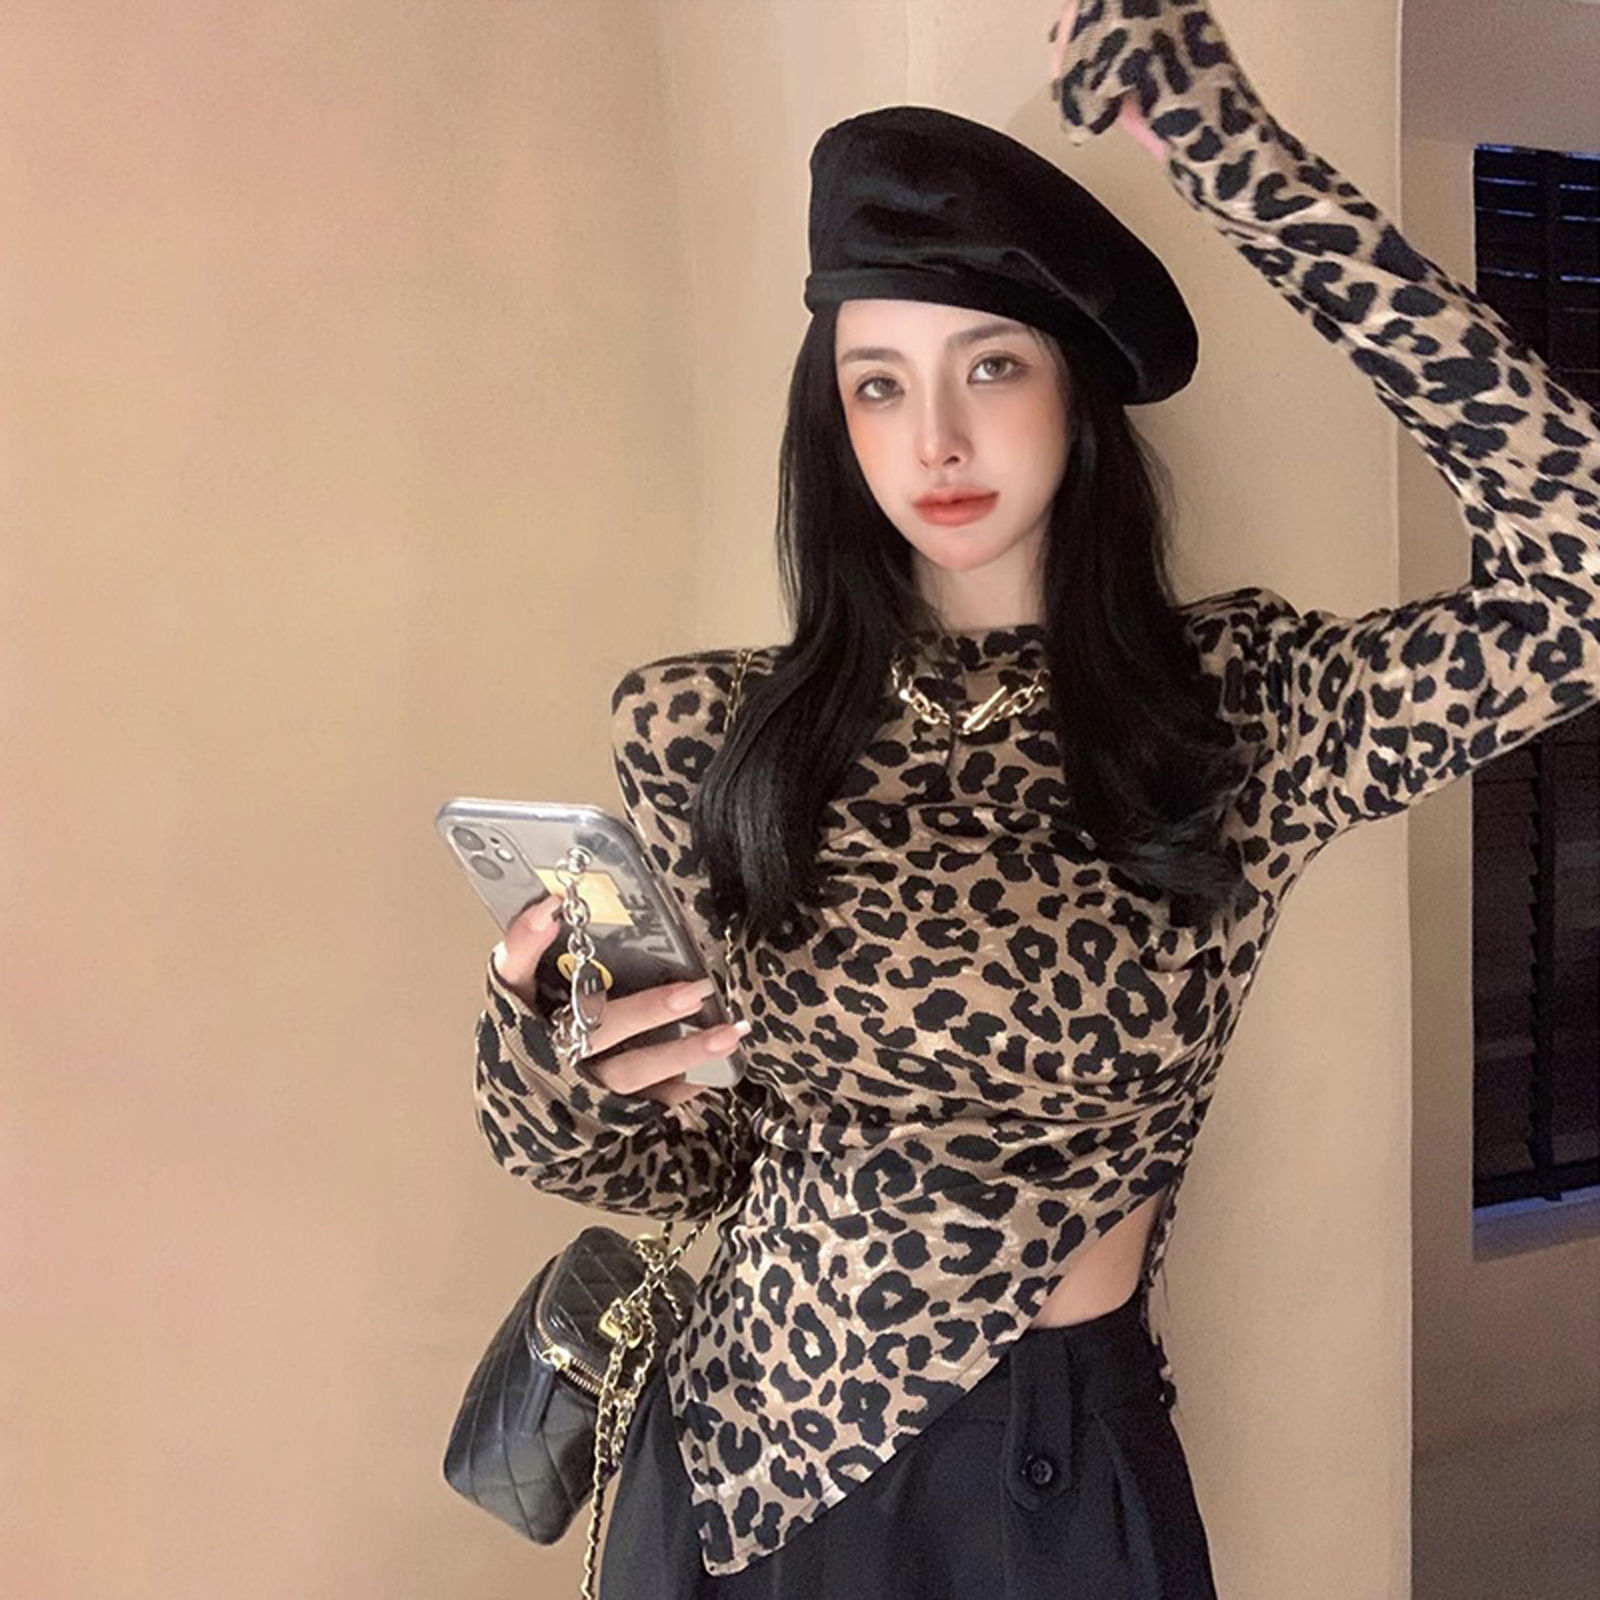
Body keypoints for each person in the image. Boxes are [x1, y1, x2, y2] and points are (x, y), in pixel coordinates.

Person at [472, 2, 1600, 1595]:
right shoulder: (711, 726)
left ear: (1078, 394)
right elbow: (693, 1170)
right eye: (876, 386)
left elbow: (1580, 581)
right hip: (736, 1473)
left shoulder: (1237, 709)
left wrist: (1234, 157)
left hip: (1046, 1474)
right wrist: (553, 1052)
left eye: (989, 367)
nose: (932, 438)